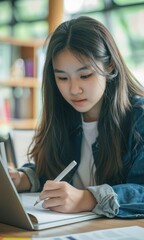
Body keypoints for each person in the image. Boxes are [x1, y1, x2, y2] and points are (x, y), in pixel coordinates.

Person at [9, 16, 144, 218]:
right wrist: (24, 179)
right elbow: (55, 169)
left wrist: (87, 199)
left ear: (110, 67)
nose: (74, 89)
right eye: (62, 78)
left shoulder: (138, 119)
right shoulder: (64, 115)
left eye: (85, 75)